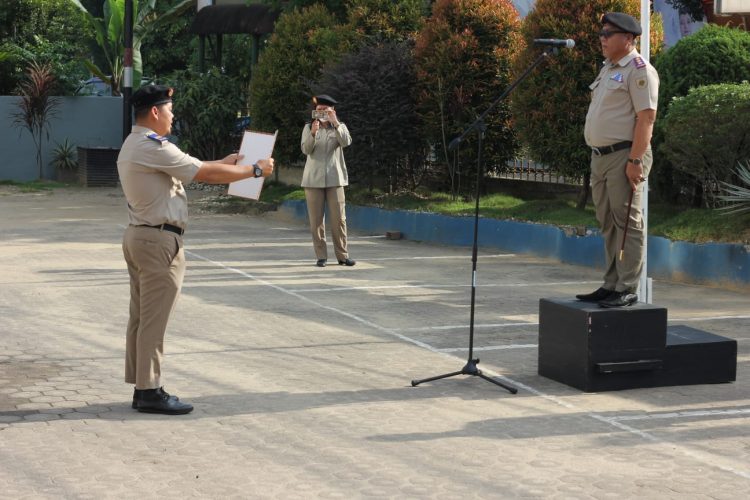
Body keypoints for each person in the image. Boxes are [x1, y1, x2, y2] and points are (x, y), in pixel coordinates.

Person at [118, 85, 274, 414]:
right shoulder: (152, 146)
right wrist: (254, 170)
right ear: (156, 112)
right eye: (170, 110)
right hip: (158, 240)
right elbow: (202, 173)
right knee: (153, 320)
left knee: (142, 318)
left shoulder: (139, 145)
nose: (174, 116)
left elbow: (193, 166)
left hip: (142, 236)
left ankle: (141, 385)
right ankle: (149, 390)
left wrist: (225, 162)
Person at [577, 12, 659, 308]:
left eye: (608, 34)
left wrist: (635, 160)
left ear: (628, 39)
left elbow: (646, 118)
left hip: (625, 154)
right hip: (601, 157)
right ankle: (611, 283)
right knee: (607, 221)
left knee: (627, 223)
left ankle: (627, 286)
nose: (602, 38)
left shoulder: (639, 70)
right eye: (602, 33)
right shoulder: (608, 68)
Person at [300, 94, 355, 267]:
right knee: (316, 220)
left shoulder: (339, 127)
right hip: (313, 180)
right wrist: (313, 133)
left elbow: (346, 142)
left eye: (325, 110)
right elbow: (306, 150)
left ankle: (343, 256)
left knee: (339, 219)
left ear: (333, 111)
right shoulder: (309, 127)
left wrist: (336, 122)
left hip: (335, 178)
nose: (321, 113)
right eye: (319, 110)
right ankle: (321, 256)